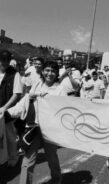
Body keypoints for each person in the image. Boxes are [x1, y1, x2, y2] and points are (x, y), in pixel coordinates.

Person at [6, 61, 67, 184]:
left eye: (53, 71)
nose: (50, 73)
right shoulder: (36, 85)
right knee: (27, 162)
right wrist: (6, 113)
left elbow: (63, 111)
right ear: (43, 71)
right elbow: (24, 104)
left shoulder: (61, 90)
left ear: (57, 73)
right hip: (34, 130)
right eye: (47, 70)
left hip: (51, 131)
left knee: (52, 159)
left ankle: (56, 180)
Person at [0, 50, 23, 183]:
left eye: (6, 60)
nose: (3, 63)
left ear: (9, 60)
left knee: (9, 136)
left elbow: (17, 94)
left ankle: (13, 159)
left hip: (7, 110)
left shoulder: (15, 74)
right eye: (1, 60)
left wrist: (5, 107)